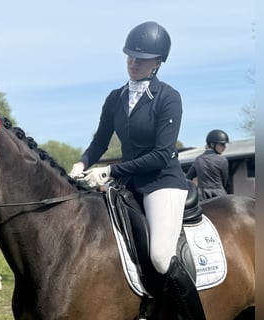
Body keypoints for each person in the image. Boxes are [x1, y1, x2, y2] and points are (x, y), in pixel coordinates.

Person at [69, 21, 206, 319]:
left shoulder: (169, 97)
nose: (133, 63)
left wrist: (110, 173)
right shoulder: (115, 98)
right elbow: (100, 142)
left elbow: (161, 154)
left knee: (159, 256)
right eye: (130, 56)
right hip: (128, 185)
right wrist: (81, 164)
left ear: (157, 63)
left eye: (141, 59)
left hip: (162, 183)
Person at [186, 129, 230, 201]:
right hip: (219, 194)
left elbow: (188, 178)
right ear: (212, 145)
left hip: (201, 196)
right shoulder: (222, 160)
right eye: (222, 144)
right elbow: (226, 181)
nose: (224, 147)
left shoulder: (198, 159)